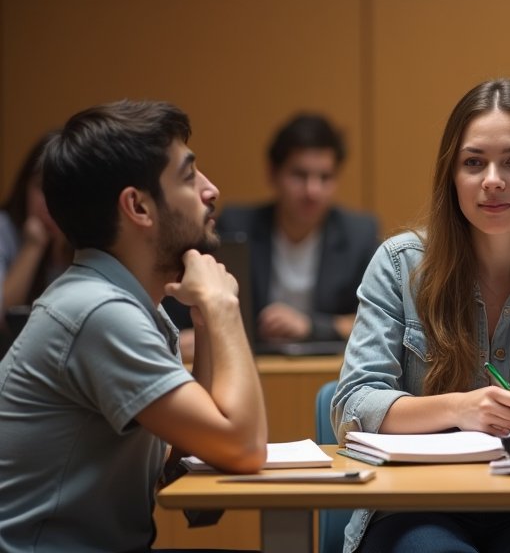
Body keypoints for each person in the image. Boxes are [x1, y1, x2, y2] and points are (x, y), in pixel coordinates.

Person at [332, 78, 510, 553]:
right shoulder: (399, 265)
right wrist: (460, 409)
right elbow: (354, 407)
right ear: (452, 175)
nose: (493, 180)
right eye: (473, 162)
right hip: (414, 501)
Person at [0, 100, 268, 552]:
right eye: (188, 176)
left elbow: (201, 446)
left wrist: (204, 320)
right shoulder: (98, 312)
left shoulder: (128, 303)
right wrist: (222, 305)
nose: (211, 190)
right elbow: (244, 447)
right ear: (138, 206)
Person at [217, 113, 378, 344]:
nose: (312, 191)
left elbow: (377, 320)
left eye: (325, 177)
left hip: (326, 365)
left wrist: (310, 326)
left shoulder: (359, 234)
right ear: (273, 174)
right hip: (251, 358)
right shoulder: (236, 225)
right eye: (299, 175)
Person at [0, 131, 73, 326]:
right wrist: (33, 245)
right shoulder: (4, 228)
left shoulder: (88, 237)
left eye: (63, 191)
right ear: (24, 186)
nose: (50, 202)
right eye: (41, 187)